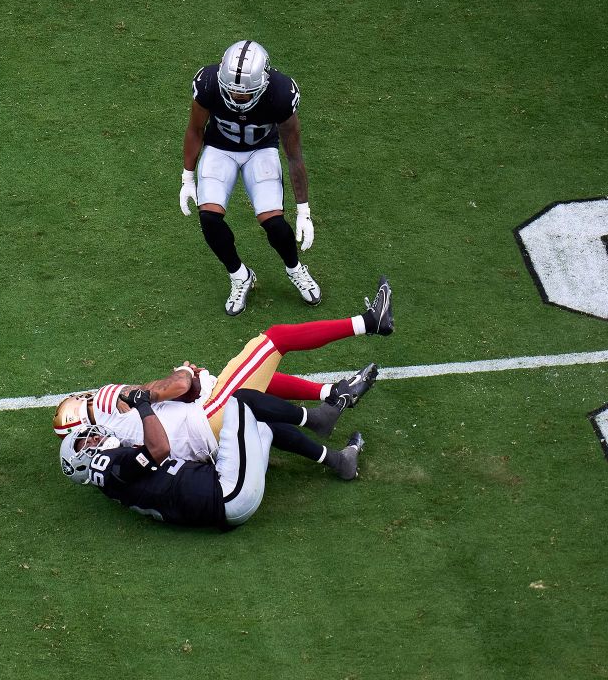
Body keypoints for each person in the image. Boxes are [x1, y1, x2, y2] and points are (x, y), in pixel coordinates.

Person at [53, 276, 394, 465]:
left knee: (254, 388)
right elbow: (164, 391)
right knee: (273, 341)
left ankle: (334, 444)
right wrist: (184, 375)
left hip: (206, 448)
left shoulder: (115, 453)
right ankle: (368, 323)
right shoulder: (107, 408)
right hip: (208, 422)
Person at [58, 385, 370, 529]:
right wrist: (143, 407)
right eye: (89, 441)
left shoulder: (113, 479)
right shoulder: (113, 467)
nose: (95, 437)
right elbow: (159, 450)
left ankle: (340, 462)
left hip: (225, 506)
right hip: (229, 492)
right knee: (240, 400)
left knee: (260, 426)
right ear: (87, 462)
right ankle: (318, 418)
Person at [179, 39, 319, 316]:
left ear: (264, 82)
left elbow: (294, 154)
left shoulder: (280, 93)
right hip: (220, 149)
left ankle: (295, 268)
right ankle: (239, 275)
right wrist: (187, 177)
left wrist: (303, 210)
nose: (237, 98)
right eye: (230, 91)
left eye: (244, 93)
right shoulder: (208, 83)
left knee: (274, 222)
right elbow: (195, 129)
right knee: (208, 217)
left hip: (260, 150)